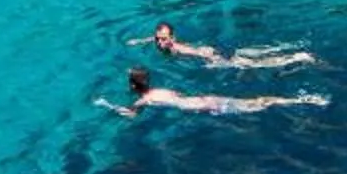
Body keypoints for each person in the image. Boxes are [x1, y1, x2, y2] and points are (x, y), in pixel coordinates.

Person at [99, 66, 328, 117]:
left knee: (259, 104)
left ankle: (305, 100)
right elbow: (178, 96)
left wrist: (106, 105)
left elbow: (130, 114)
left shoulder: (144, 101)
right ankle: (300, 99)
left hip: (210, 106)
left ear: (132, 87)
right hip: (207, 99)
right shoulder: (160, 90)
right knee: (257, 101)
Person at [129, 21, 318, 70]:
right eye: (159, 38)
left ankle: (298, 56)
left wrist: (214, 62)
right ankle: (288, 46)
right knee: (248, 53)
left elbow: (198, 53)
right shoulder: (157, 40)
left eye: (165, 38)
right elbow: (150, 39)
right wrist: (138, 41)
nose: (161, 41)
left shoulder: (177, 48)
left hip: (212, 55)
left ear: (173, 37)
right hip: (210, 50)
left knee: (254, 63)